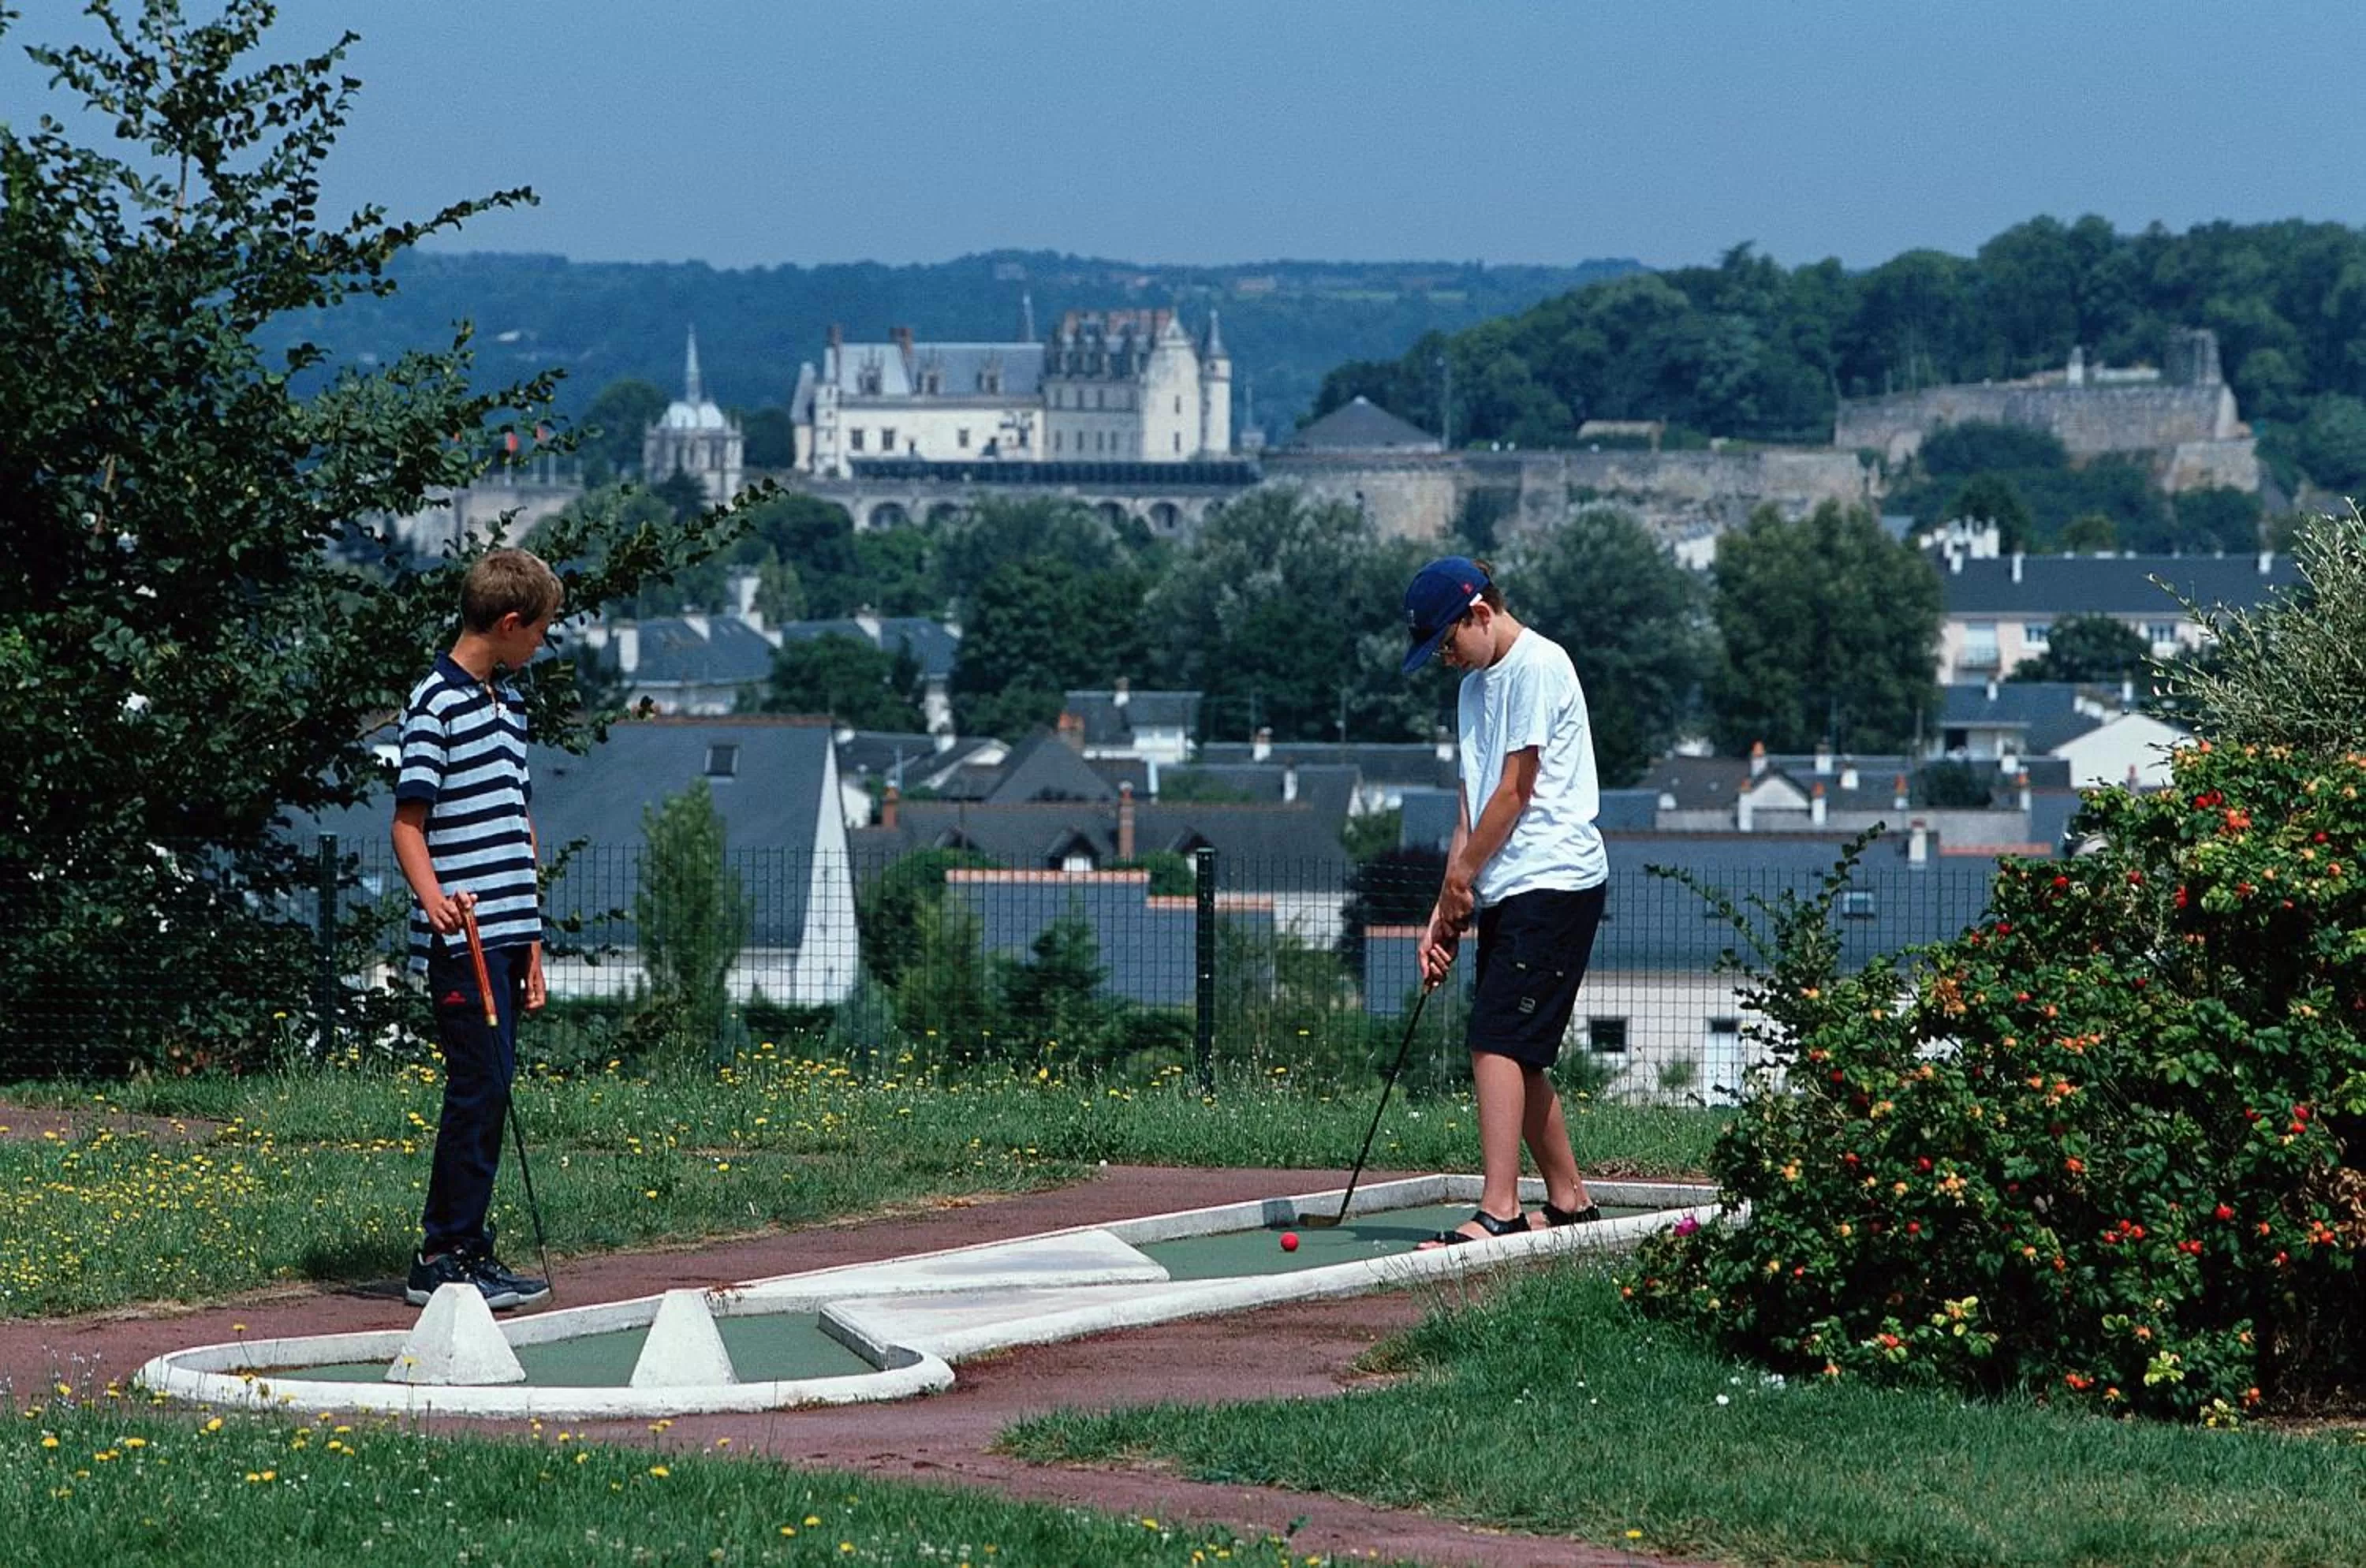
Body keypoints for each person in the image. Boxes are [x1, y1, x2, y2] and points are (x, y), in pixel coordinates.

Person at [1402, 556, 1607, 1245]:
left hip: (1555, 879)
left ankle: (1500, 1208)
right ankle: (1570, 1198)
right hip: (1507, 880)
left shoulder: (1539, 666)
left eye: (1447, 643)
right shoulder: (1474, 687)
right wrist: (1445, 906)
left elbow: (1516, 792)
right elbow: (1473, 800)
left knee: (1495, 1042)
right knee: (1517, 1052)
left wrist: (1466, 885)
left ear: (1480, 614)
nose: (1446, 660)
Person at [391, 547, 563, 1309]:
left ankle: (469, 1248)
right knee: (478, 1090)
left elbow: (519, 823)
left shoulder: (509, 704)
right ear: (510, 621)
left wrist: (531, 941)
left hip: (506, 932)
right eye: (541, 632)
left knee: (493, 1089)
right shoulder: (436, 703)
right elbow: (408, 824)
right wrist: (434, 902)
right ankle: (443, 1254)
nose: (542, 647)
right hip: (463, 938)